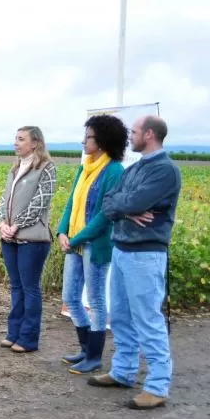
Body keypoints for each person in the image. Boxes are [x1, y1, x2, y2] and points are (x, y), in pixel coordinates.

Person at [89, 115, 182, 410]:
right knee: (119, 316)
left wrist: (126, 207)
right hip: (122, 250)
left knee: (148, 320)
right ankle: (123, 371)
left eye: (135, 131)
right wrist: (127, 210)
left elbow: (130, 202)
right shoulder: (135, 168)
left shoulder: (165, 170)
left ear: (150, 134)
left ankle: (157, 386)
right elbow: (110, 202)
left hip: (146, 254)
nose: (131, 136)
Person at [55, 115, 128, 374]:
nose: (83, 141)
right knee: (70, 298)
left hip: (94, 245)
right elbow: (72, 203)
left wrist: (75, 238)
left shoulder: (114, 171)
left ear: (103, 140)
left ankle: (95, 356)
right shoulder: (84, 167)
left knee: (95, 300)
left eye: (88, 137)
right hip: (74, 241)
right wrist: (62, 230)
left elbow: (104, 215)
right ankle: (86, 349)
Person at [0, 126, 58, 353]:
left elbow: (40, 202)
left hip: (32, 239)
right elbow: (3, 201)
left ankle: (29, 338)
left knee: (30, 287)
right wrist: (2, 223)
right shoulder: (15, 168)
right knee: (16, 286)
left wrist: (16, 225)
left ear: (35, 143)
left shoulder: (46, 168)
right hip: (10, 238)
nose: (16, 143)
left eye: (21, 139)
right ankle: (14, 333)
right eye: (15, 138)